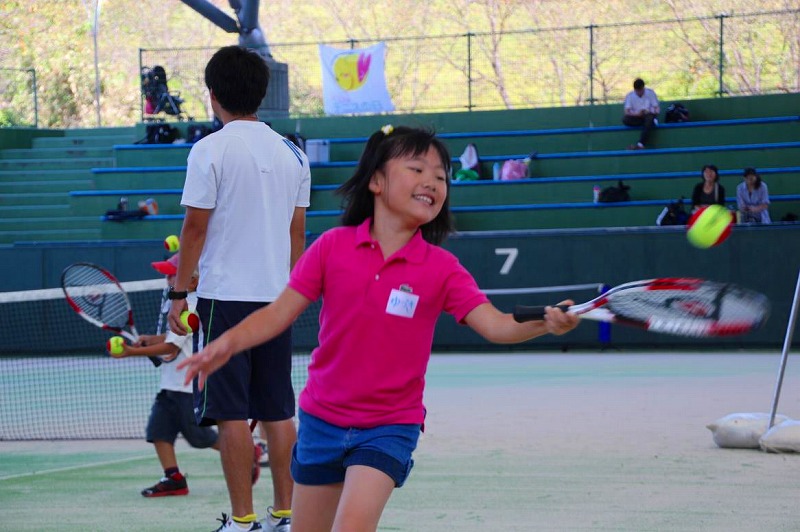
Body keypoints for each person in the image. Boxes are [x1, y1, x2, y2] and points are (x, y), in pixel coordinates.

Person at [177, 125, 580, 532]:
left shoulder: (442, 269)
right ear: (376, 181)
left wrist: (545, 324)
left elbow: (497, 326)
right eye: (417, 169)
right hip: (321, 421)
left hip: (389, 426)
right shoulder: (332, 248)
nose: (432, 183)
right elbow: (278, 313)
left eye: (441, 176)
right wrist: (226, 343)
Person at [166, 45, 310, 532]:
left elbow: (193, 230)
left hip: (224, 300)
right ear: (263, 94)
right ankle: (287, 517)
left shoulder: (208, 150)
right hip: (278, 300)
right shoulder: (293, 153)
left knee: (229, 412)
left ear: (212, 96)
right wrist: (292, 294)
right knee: (277, 409)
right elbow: (297, 235)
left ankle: (244, 522)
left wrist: (178, 294)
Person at [108, 253, 221, 498]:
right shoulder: (180, 304)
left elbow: (171, 348)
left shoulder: (190, 307)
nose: (168, 279)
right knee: (158, 432)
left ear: (192, 281)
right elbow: (172, 339)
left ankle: (247, 452)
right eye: (168, 274)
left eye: (173, 274)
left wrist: (129, 353)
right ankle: (174, 478)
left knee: (200, 437)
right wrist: (150, 339)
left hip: (186, 386)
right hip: (170, 385)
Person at [622, 78, 660, 150]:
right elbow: (627, 112)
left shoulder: (650, 93)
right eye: (637, 91)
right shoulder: (630, 95)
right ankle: (647, 125)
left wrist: (650, 112)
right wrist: (637, 114)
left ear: (643, 88)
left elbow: (657, 109)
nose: (639, 92)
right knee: (625, 119)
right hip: (637, 117)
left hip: (649, 116)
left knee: (649, 118)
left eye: (640, 90)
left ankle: (641, 144)